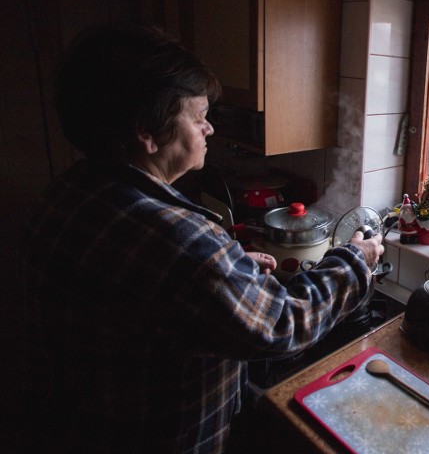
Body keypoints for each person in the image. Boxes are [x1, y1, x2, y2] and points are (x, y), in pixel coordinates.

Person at [24, 23, 383, 453]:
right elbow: (283, 325)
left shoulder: (67, 192)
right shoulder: (180, 243)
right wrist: (355, 260)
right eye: (198, 118)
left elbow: (152, 300)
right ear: (147, 130)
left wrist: (230, 270)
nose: (210, 129)